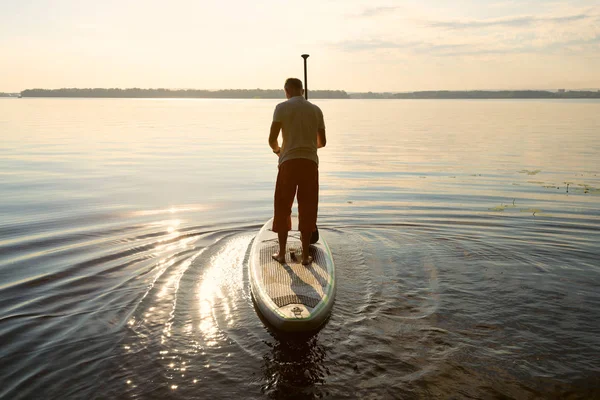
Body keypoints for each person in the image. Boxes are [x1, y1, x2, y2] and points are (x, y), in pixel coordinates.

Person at [269, 77, 327, 265]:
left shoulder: (281, 108)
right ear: (302, 91)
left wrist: (279, 151)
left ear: (287, 90)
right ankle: (305, 256)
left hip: (288, 163)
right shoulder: (316, 110)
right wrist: (307, 146)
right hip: (310, 163)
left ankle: (282, 253)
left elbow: (272, 139)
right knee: (308, 206)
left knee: (283, 206)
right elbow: (322, 142)